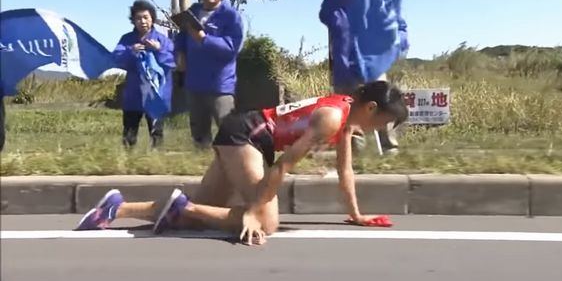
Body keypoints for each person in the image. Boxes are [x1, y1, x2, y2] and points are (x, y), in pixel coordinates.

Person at [76, 81, 408, 245]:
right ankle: (183, 208)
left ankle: (116, 209)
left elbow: (344, 169)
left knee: (202, 211)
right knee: (266, 223)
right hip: (247, 136)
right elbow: (283, 167)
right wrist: (252, 210)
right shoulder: (332, 119)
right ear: (371, 108)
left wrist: (355, 214)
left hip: (246, 135)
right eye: (384, 122)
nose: (381, 129)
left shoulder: (348, 117)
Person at [319, 0, 409, 154]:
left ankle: (389, 149)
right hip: (346, 68)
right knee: (349, 114)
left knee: (384, 106)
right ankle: (354, 154)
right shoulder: (339, 2)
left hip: (375, 65)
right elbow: (326, 15)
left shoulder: (381, 1)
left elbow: (401, 29)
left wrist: (393, 44)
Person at [174, 0, 244, 149]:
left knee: (229, 135)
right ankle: (203, 168)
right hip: (194, 85)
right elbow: (181, 37)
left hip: (220, 87)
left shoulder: (231, 16)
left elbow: (231, 48)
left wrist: (204, 39)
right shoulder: (192, 12)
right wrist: (180, 53)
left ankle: (234, 169)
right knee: (199, 136)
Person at [112, 0, 176, 148]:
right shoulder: (127, 40)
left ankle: (156, 162)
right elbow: (116, 59)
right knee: (129, 133)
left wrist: (159, 50)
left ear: (152, 18)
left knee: (156, 134)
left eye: (146, 17)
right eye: (138, 18)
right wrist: (131, 51)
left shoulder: (162, 40)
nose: (142, 21)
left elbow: (173, 62)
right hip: (134, 95)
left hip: (155, 95)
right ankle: (127, 162)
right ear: (133, 21)